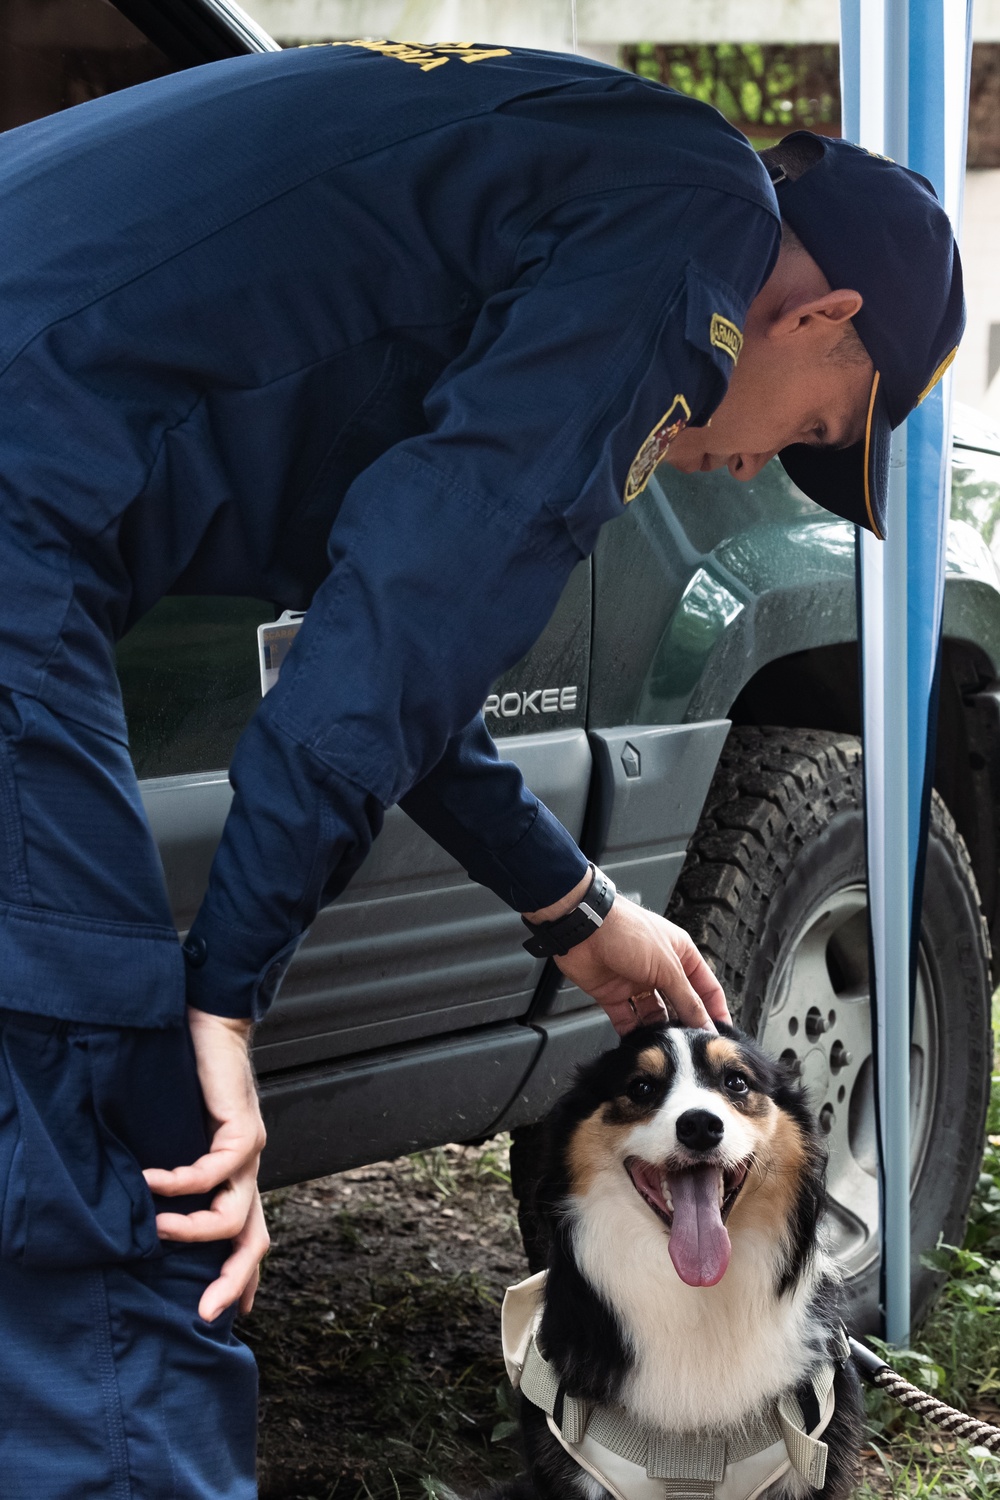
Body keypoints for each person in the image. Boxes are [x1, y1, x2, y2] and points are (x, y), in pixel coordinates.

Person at [0, 41, 962, 1496]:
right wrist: (216, 1006)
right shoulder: (683, 229)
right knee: (138, 1198)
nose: (758, 459)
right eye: (821, 425)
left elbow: (395, 642)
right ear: (819, 314)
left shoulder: (574, 154)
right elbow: (384, 650)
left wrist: (573, 905)